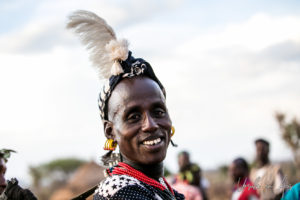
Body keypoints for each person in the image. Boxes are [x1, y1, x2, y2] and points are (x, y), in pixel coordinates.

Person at [67, 10, 184, 200]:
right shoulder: (120, 191)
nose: (151, 124)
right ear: (110, 131)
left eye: (158, 111)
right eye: (134, 117)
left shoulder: (161, 188)